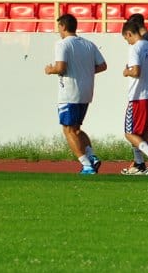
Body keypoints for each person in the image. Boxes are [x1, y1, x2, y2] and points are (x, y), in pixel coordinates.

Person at [43, 13, 107, 175]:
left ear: (63, 26)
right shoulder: (88, 44)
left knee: (68, 129)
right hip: (86, 92)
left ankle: (86, 164)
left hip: (69, 92)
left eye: (59, 26)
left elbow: (61, 68)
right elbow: (102, 65)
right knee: (77, 129)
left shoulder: (62, 44)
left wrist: (50, 70)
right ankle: (92, 156)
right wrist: (85, 72)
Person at [120, 20, 148, 176]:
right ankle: (147, 165)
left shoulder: (135, 48)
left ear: (130, 34)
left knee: (129, 133)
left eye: (127, 38)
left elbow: (136, 72)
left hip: (139, 96)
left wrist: (126, 72)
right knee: (143, 134)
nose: (127, 41)